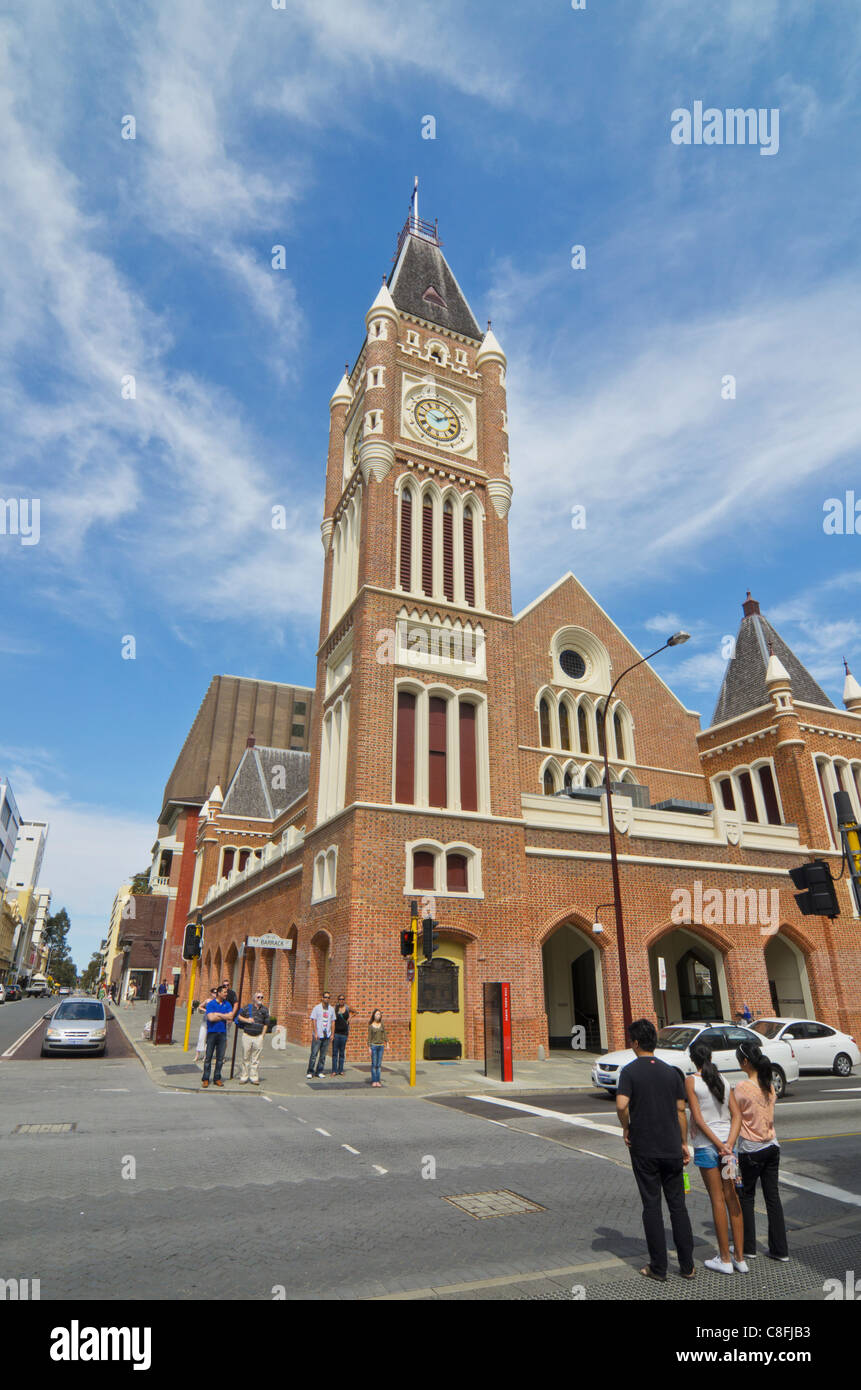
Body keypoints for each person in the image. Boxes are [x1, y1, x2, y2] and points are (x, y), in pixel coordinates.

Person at [616, 1018, 696, 1282]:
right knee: (678, 1206)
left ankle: (658, 1268)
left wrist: (626, 1127)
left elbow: (620, 1105)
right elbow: (681, 1111)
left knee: (651, 1205)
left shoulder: (629, 1072)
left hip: (645, 1147)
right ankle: (687, 1266)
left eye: (631, 1040)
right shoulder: (671, 1072)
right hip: (672, 1146)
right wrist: (683, 1142)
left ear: (636, 1043)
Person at [685, 1042, 747, 1274]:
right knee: (732, 1196)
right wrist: (729, 1144)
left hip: (707, 1147)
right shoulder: (723, 1079)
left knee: (717, 1199)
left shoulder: (691, 1081)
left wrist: (718, 1144)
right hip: (728, 1149)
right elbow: (737, 1115)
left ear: (693, 1059)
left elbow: (698, 1119)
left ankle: (724, 1259)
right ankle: (739, 1257)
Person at [734, 1039, 789, 1262]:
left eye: (739, 1060)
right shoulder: (769, 1085)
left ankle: (748, 1247)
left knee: (746, 1196)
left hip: (751, 1147)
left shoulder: (742, 1088)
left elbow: (735, 1117)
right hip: (771, 1145)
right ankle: (780, 1249)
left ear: (745, 1061)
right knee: (772, 1198)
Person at [201, 985, 233, 1088]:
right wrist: (224, 1016)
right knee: (208, 1057)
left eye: (226, 992)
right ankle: (206, 1078)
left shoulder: (227, 1004)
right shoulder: (211, 1004)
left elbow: (230, 1017)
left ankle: (217, 1078)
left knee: (220, 1058)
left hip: (222, 1033)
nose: (226, 994)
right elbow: (210, 1018)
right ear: (219, 993)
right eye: (224, 992)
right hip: (212, 1033)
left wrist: (218, 1014)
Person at [236, 991, 270, 1085]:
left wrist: (262, 1036)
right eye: (258, 997)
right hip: (247, 1035)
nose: (260, 999)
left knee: (255, 1059)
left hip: (258, 1036)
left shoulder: (265, 1010)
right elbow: (238, 1016)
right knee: (245, 1057)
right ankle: (244, 1076)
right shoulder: (247, 1007)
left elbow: (266, 1024)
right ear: (254, 998)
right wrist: (247, 1020)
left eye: (262, 997)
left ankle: (254, 1077)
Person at [307, 992, 335, 1078]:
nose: (327, 999)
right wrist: (315, 1033)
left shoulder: (331, 1009)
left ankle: (319, 1071)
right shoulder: (317, 1008)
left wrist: (332, 1034)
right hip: (318, 1035)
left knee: (323, 1055)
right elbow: (314, 1020)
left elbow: (333, 1022)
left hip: (327, 1035)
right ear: (322, 998)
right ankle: (310, 1071)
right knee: (314, 1054)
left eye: (328, 997)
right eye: (325, 997)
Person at [331, 994, 352, 1076]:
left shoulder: (347, 1008)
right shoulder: (335, 1008)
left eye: (343, 999)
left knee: (342, 1053)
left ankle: (341, 1070)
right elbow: (332, 1020)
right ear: (338, 1000)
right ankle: (334, 1070)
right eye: (340, 999)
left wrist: (350, 1017)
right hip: (336, 1033)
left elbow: (356, 1012)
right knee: (335, 1053)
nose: (341, 1000)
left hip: (344, 1033)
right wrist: (332, 1034)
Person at [368, 1008, 387, 1087]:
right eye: (376, 1014)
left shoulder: (382, 1024)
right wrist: (369, 1047)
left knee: (379, 1065)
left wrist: (387, 1043)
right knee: (374, 1064)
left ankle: (378, 1080)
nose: (378, 1016)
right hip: (374, 1046)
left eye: (379, 1014)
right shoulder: (371, 1025)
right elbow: (369, 1038)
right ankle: (374, 1080)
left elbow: (384, 1034)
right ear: (374, 1015)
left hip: (381, 1046)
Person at [195, 990, 215, 1062]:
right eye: (214, 993)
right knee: (201, 1037)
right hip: (205, 1021)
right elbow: (200, 1006)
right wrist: (205, 1010)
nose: (215, 994)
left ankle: (206, 1056)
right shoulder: (207, 1000)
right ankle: (197, 1055)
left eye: (216, 993)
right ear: (211, 993)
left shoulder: (217, 1002)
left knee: (208, 1040)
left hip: (212, 1022)